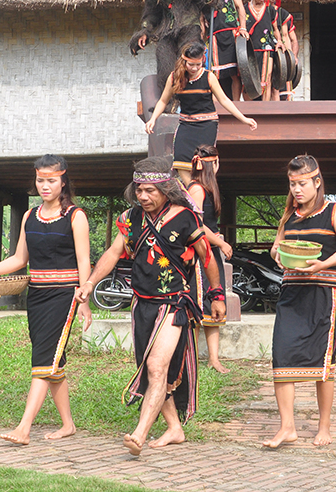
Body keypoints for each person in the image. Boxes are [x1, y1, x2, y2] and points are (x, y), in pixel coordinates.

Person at [80, 157, 226, 456]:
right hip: (141, 305)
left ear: (166, 189)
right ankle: (174, 428)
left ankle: (140, 434)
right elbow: (114, 252)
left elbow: (207, 257)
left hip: (174, 304)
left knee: (157, 366)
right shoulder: (131, 218)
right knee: (150, 369)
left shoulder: (186, 218)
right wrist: (90, 283)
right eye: (139, 190)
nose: (143, 197)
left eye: (150, 191)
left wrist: (217, 294)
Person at [0, 155, 92, 444]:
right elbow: (19, 259)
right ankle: (68, 424)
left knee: (43, 359)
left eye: (52, 180)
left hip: (64, 297)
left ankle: (24, 428)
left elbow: (85, 262)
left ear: (63, 180)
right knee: (53, 361)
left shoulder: (75, 215)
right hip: (37, 297)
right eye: (40, 180)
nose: (45, 186)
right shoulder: (29, 217)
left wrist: (85, 300)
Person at [264, 155, 336, 448]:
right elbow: (276, 247)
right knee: (281, 356)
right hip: (291, 294)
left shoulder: (333, 211)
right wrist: (277, 253)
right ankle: (287, 428)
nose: (297, 190)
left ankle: (324, 426)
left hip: (322, 293)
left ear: (317, 182)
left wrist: (322, 264)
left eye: (302, 183)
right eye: (292, 184)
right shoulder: (289, 215)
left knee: (322, 362)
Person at [144, 42, 257, 184]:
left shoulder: (209, 77)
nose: (195, 68)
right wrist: (153, 119)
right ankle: (192, 192)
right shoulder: (174, 78)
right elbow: (162, 101)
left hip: (206, 125)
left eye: (198, 64)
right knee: (180, 159)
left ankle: (202, 192)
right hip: (186, 125)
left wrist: (244, 119)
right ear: (184, 61)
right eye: (191, 64)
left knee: (204, 163)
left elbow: (224, 101)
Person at [186, 144, 232, 374]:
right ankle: (192, 359)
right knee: (197, 304)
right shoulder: (196, 189)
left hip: (210, 250)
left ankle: (214, 358)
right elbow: (196, 224)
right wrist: (221, 242)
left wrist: (216, 239)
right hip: (199, 254)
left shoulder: (205, 187)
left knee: (215, 302)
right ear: (212, 163)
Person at [201, 0, 248, 100]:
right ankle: (216, 106)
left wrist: (243, 27)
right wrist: (202, 40)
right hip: (214, 37)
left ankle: (236, 103)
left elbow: (240, 8)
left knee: (235, 73)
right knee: (214, 73)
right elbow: (202, 19)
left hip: (231, 34)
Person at [245, 0, 282, 101]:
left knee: (266, 79)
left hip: (266, 49)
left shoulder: (270, 10)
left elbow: (275, 29)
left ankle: (264, 110)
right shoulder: (244, 10)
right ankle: (248, 111)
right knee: (248, 81)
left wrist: (280, 41)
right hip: (248, 51)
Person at [268, 0, 299, 101]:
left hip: (280, 58)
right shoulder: (259, 11)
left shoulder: (282, 14)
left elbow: (291, 39)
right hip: (264, 53)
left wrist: (292, 58)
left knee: (282, 94)